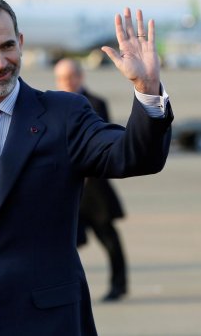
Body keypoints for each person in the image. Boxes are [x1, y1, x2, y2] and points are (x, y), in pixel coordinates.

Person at [0, 0, 173, 335]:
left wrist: (147, 91)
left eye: (8, 46)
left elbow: (133, 155)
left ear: (21, 43)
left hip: (45, 319)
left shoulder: (64, 115)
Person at [54, 57, 129, 302]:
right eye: (61, 79)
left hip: (94, 188)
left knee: (108, 238)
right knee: (63, 244)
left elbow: (101, 142)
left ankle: (119, 285)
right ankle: (65, 289)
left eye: (69, 77)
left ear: (79, 77)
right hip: (65, 189)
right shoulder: (52, 105)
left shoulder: (96, 103)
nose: (65, 82)